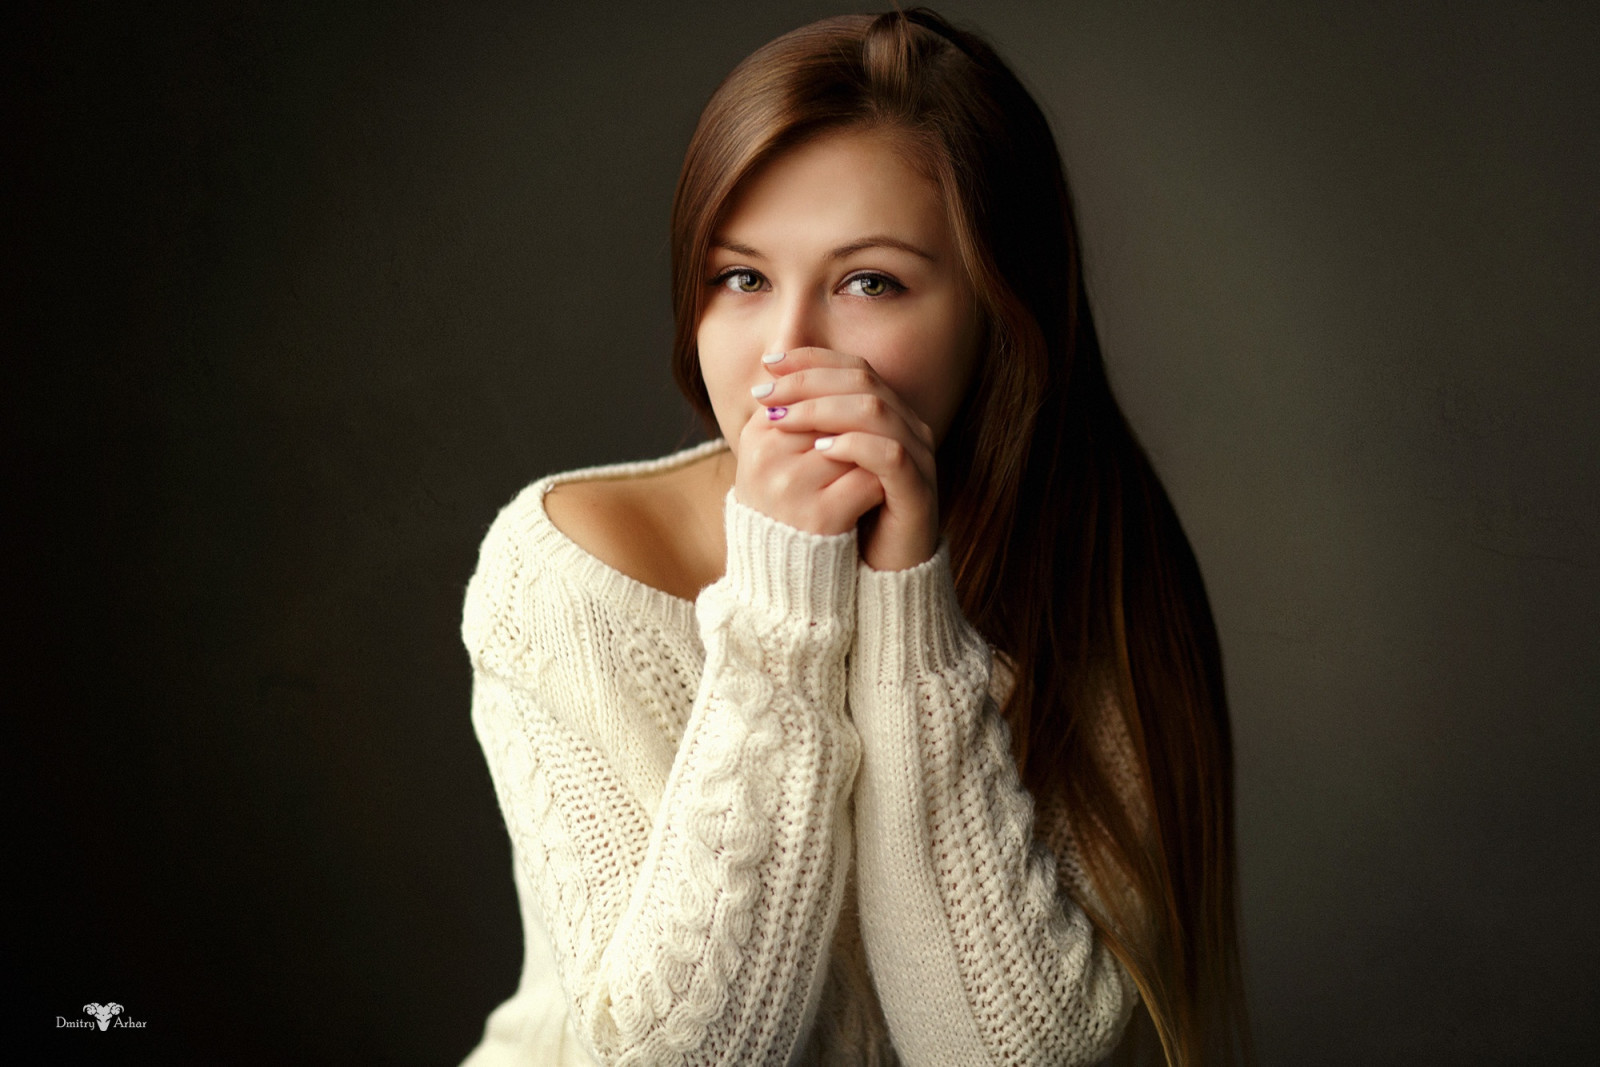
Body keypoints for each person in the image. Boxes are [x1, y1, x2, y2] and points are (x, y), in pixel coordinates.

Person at [460, 8, 1249, 1065]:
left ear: (999, 312)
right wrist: (787, 606)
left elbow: (1009, 1056)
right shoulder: (568, 568)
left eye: (868, 283)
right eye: (741, 278)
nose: (784, 356)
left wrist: (904, 602)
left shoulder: (1099, 575)